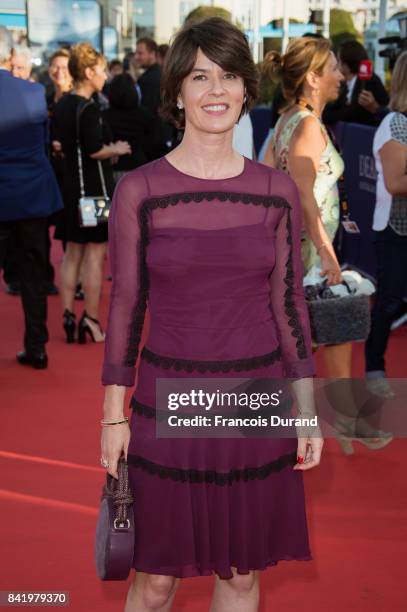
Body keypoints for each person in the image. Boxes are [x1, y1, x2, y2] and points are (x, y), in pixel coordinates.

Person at [100, 17, 322, 611]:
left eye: (228, 76)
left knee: (243, 574)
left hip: (256, 399)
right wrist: (112, 416)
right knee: (155, 579)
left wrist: (305, 409)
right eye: (200, 76)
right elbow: (125, 303)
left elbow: (289, 302)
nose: (216, 91)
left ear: (247, 89)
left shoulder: (275, 192)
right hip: (167, 396)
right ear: (176, 92)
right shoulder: (141, 191)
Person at [263, 37, 391, 452]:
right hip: (308, 253)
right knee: (324, 331)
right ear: (314, 78)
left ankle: (345, 421)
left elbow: (266, 183)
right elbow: (301, 191)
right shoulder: (307, 126)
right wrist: (325, 249)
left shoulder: (286, 120)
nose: (342, 76)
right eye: (334, 68)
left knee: (331, 332)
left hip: (297, 249)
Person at [53, 43, 131, 344]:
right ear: (88, 72)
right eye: (100, 70)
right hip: (94, 194)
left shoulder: (62, 104)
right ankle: (92, 319)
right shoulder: (89, 107)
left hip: (72, 189)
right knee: (96, 256)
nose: (104, 76)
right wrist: (118, 149)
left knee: (71, 254)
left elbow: (65, 146)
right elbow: (94, 149)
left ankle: (68, 314)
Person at [0, 27, 63, 369]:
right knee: (35, 272)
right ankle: (37, 347)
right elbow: (42, 144)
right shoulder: (35, 92)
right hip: (32, 195)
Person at [365, 51, 407, 398]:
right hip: (396, 227)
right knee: (390, 301)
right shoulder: (395, 123)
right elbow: (395, 182)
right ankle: (374, 369)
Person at [323, 40, 389, 127]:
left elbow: (353, 113)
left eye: (339, 61)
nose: (337, 66)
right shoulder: (348, 83)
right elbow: (337, 106)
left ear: (346, 65)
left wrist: (323, 116)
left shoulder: (369, 81)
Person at [103, 72, 155, 181]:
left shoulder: (105, 116)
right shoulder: (145, 114)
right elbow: (153, 143)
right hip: (141, 167)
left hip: (115, 169)